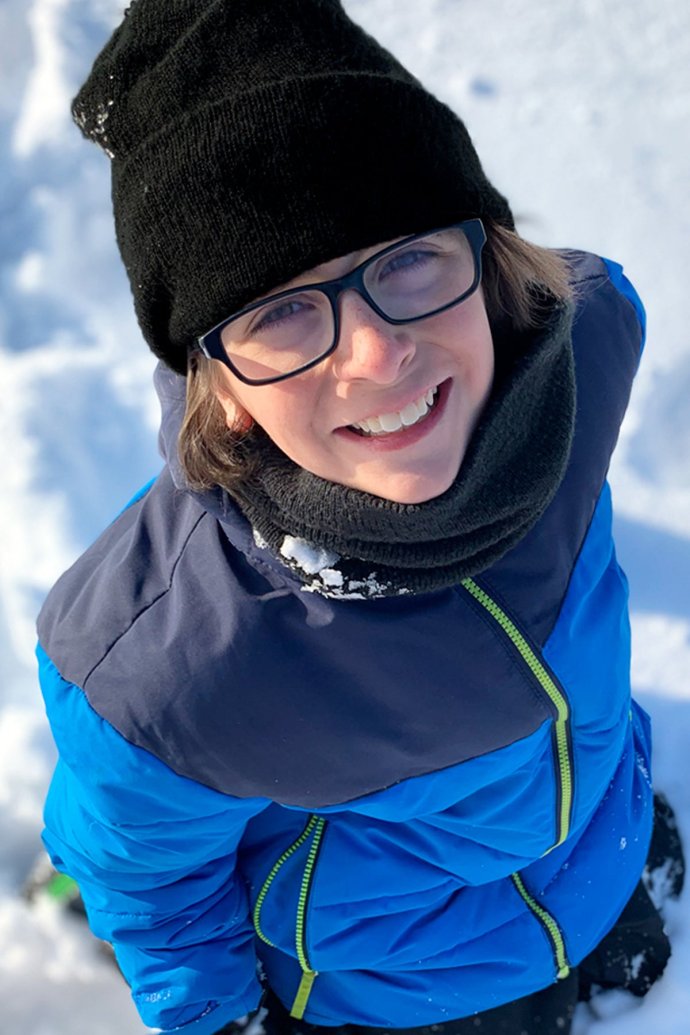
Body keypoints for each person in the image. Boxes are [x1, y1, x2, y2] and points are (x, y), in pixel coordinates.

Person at [36, 2, 684, 1034]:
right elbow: (147, 872)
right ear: (220, 382)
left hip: (592, 831)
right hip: (395, 977)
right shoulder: (182, 674)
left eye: (409, 259)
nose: (377, 356)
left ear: (491, 257)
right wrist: (220, 1020)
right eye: (281, 309)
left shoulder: (584, 355)